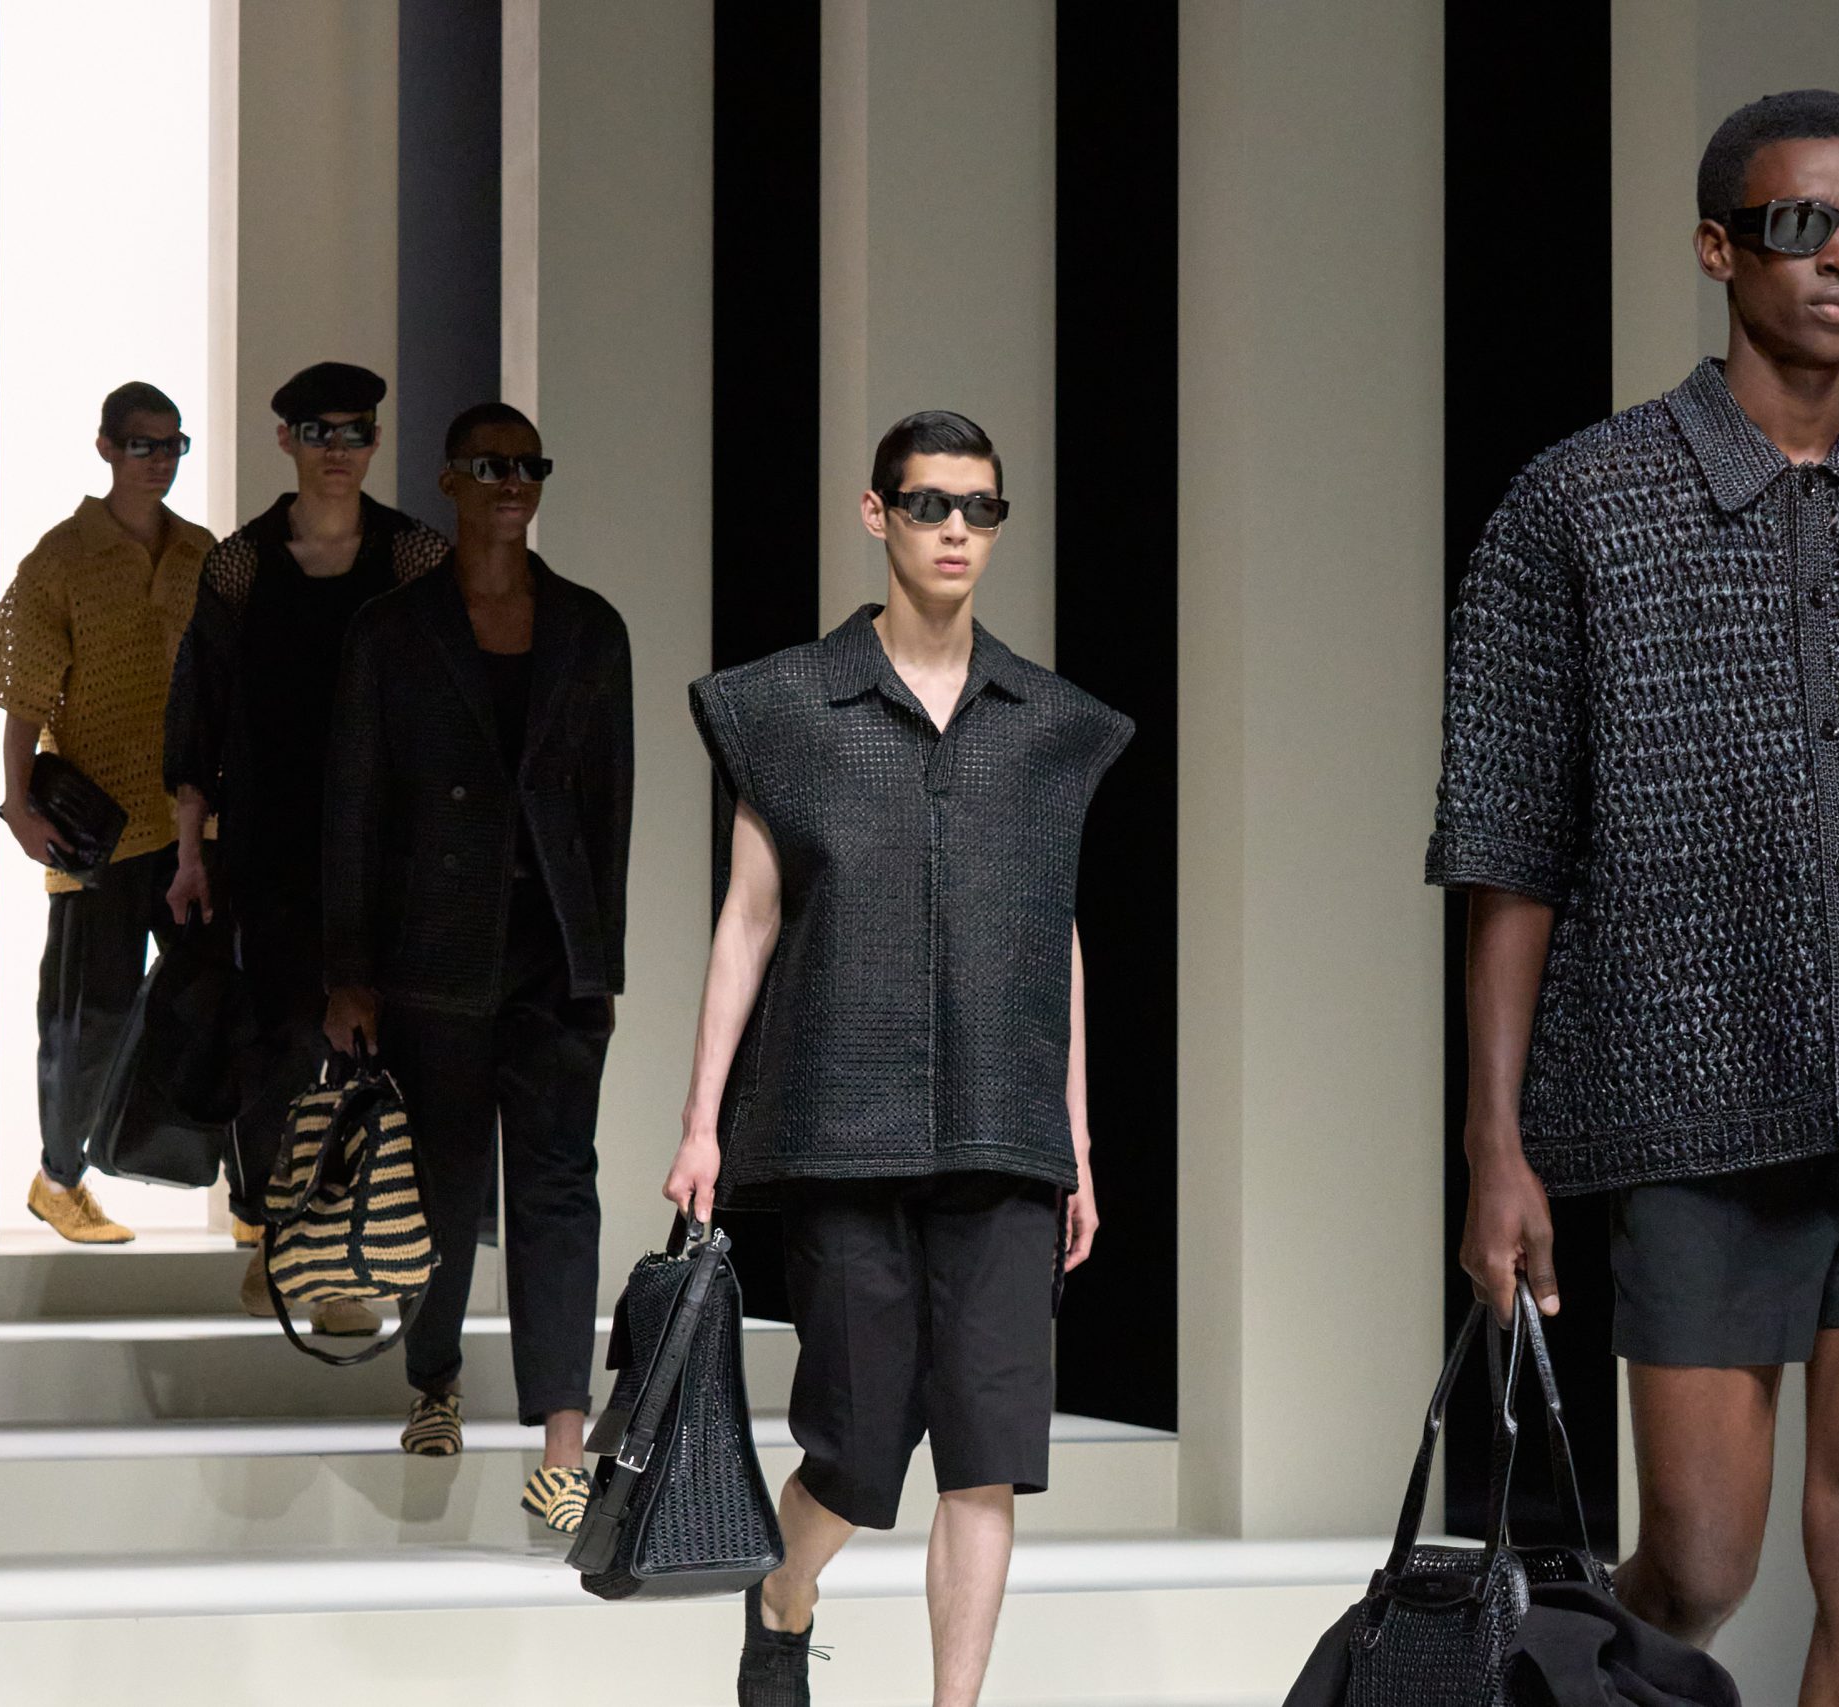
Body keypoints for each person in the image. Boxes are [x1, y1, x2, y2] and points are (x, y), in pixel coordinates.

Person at [1432, 91, 1839, 1706]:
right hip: (1691, 1111)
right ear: (1720, 248)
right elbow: (1508, 848)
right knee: (1701, 1563)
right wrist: (1498, 1148)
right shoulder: (1580, 505)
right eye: (1802, 224)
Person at [667, 410, 1131, 1707]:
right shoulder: (788, 708)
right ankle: (783, 1592)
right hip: (840, 1122)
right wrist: (700, 1121)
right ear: (877, 514)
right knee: (857, 1451)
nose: (955, 531)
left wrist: (1076, 1137)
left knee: (987, 1453)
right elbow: (748, 918)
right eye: (929, 505)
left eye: (980, 508)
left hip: (1004, 1128)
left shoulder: (1048, 724)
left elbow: (1057, 934)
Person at [322, 402, 632, 1531]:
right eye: (491, 464)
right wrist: (347, 970)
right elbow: (355, 804)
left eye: (528, 464)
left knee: (556, 1186)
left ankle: (562, 1442)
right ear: (449, 480)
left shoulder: (590, 628)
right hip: (432, 950)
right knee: (442, 1183)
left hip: (553, 952)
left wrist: (600, 960)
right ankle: (435, 1379)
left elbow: (609, 808)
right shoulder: (393, 631)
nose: (513, 481)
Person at [165, 361, 449, 1330]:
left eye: (355, 431)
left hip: (392, 845)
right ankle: (277, 1239)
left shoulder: (414, 557)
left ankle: (357, 1253)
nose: (339, 450)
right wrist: (190, 853)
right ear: (285, 439)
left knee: (383, 1049)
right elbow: (198, 715)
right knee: (279, 1043)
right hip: (274, 845)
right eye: (319, 432)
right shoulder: (241, 565)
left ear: (375, 440)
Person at [0, 381, 216, 1244]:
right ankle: (59, 1179)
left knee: (211, 1000)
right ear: (106, 446)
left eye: (172, 445)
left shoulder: (201, 553)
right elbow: (24, 691)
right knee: (87, 1012)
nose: (159, 461)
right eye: (143, 444)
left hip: (192, 822)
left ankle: (241, 1193)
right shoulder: (63, 557)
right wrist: (16, 803)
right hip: (96, 824)